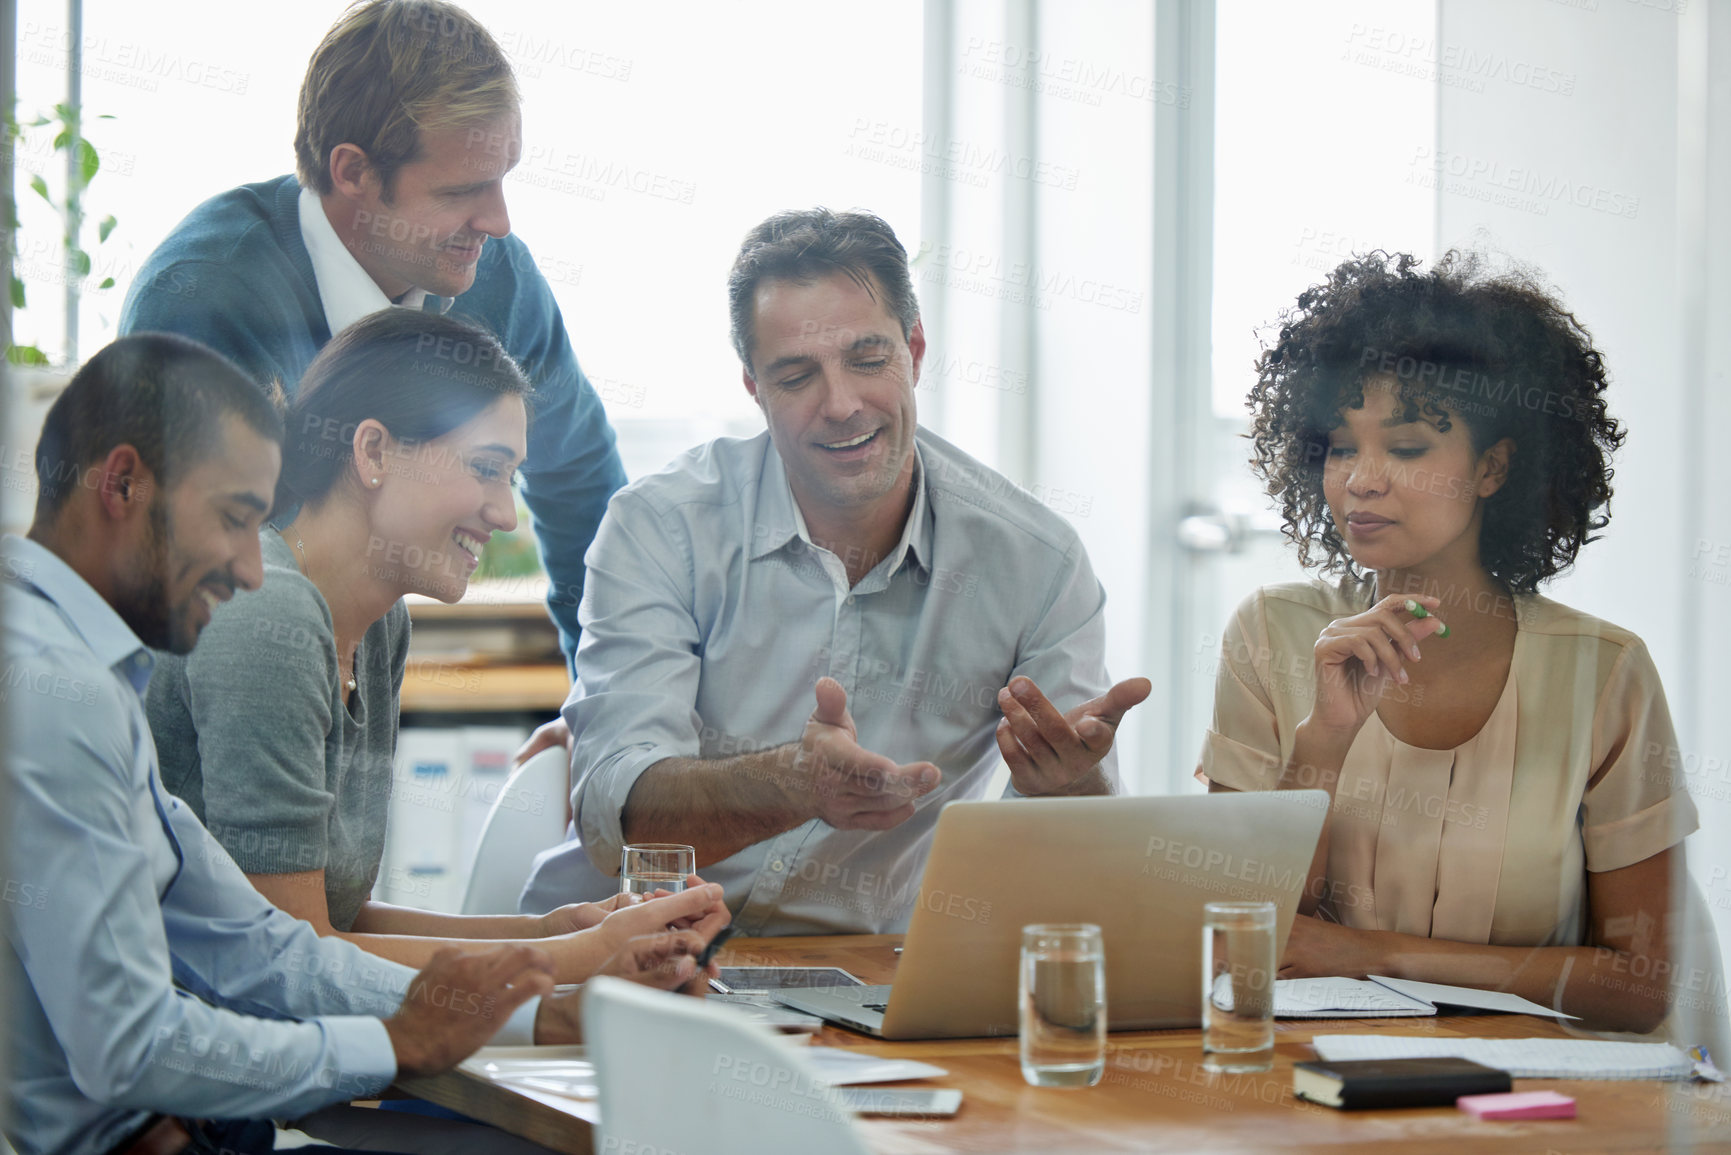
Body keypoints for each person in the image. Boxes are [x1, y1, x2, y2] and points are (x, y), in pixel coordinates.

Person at [2, 333, 722, 1155]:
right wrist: (399, 1039)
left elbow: (257, 947)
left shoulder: (91, 673)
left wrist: (539, 1000)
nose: (247, 566)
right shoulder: (50, 694)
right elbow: (129, 1044)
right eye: (235, 518)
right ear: (123, 484)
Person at [520, 208, 1150, 933]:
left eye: (867, 358)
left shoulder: (1035, 563)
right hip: (617, 953)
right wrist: (792, 784)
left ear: (914, 350)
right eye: (796, 375)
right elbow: (615, 815)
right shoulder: (660, 528)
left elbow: (1073, 857)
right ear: (754, 388)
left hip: (860, 983)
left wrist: (1076, 782)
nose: (842, 404)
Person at [1195, 251, 1696, 1034]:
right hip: (1308, 1080)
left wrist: (1372, 953)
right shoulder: (1271, 632)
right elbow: (1240, 947)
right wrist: (1322, 744)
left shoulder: (1601, 672)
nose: (1359, 479)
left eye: (1404, 449)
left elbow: (1637, 987)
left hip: (1534, 1106)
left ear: (1492, 467)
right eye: (1336, 446)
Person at [144, 309, 725, 984]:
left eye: (510, 477)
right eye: (485, 467)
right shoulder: (266, 611)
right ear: (373, 452)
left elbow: (337, 916)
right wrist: (578, 959)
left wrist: (554, 930)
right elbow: (286, 961)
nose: (505, 513)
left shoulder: (378, 623)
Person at [118, 0, 625, 663]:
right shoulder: (204, 302)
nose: (498, 222)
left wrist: (608, 710)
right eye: (459, 192)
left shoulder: (497, 279)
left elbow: (580, 482)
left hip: (359, 675)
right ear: (352, 172)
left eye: (502, 179)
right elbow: (201, 597)